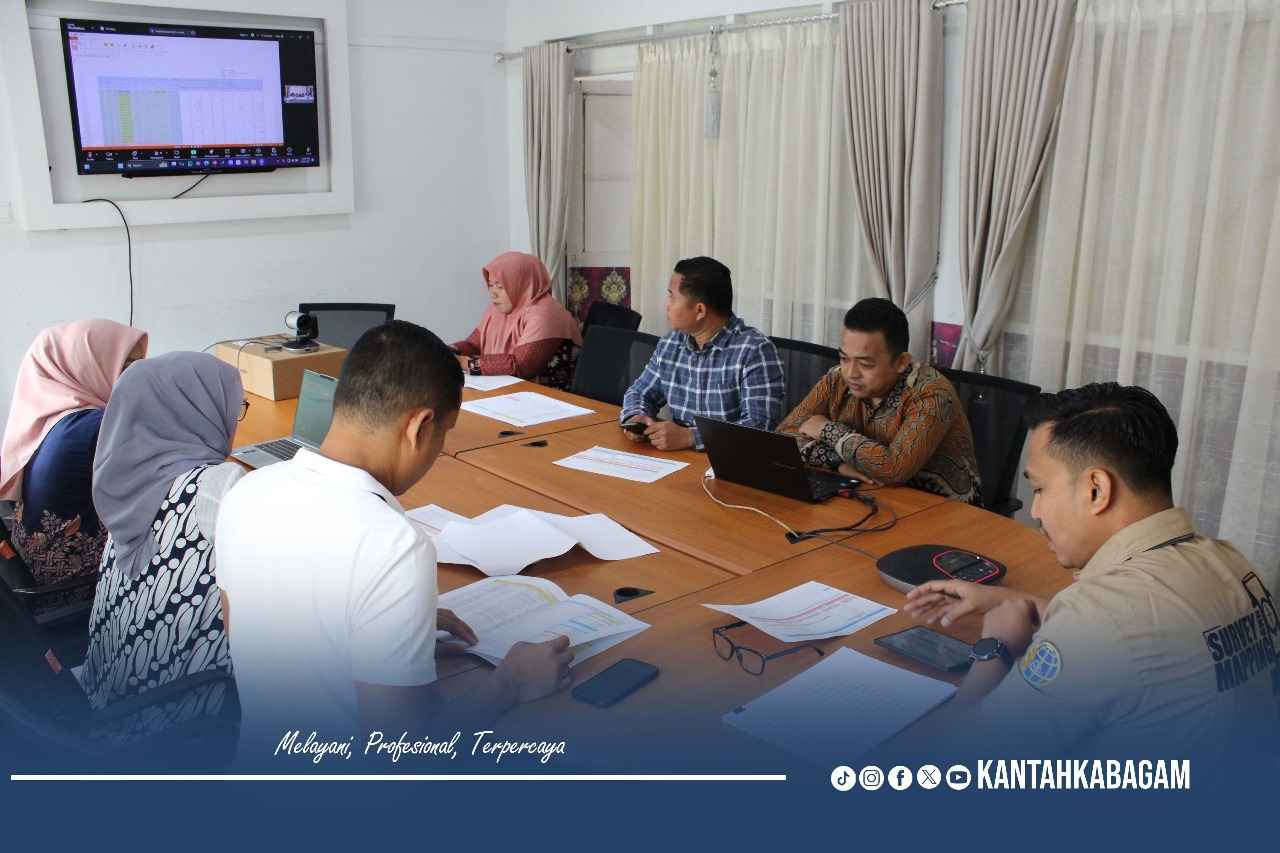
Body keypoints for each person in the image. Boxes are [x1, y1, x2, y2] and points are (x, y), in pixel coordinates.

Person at [216, 320, 572, 752]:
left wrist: (383, 633)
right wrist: (510, 683)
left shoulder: (245, 492)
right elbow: (400, 753)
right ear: (419, 427)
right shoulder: (394, 545)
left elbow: (247, 635)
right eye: (444, 434)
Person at [904, 383, 1279, 756]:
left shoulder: (1100, 619)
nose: (1035, 511)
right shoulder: (1230, 563)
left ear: (1096, 490)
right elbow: (1142, 636)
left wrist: (995, 649)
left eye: (1040, 489)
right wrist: (1004, 599)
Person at [81, 352, 245, 732]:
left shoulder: (122, 477)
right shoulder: (218, 486)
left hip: (108, 692)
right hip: (173, 712)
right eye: (235, 407)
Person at [0, 319, 147, 609]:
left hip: (33, 561)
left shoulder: (45, 417)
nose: (137, 377)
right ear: (89, 366)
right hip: (73, 583)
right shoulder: (91, 426)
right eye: (127, 365)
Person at [777, 298, 980, 502]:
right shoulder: (836, 379)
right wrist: (836, 462)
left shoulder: (932, 394)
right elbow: (783, 437)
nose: (850, 373)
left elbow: (893, 470)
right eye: (844, 358)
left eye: (865, 364)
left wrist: (827, 430)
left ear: (901, 362)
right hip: (868, 494)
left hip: (940, 508)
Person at [620, 256, 785, 451]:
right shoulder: (671, 343)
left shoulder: (754, 351)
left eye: (672, 297)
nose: (667, 305)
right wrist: (637, 416)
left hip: (728, 462)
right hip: (679, 459)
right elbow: (640, 392)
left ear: (699, 310)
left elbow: (759, 429)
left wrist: (691, 437)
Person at [450, 251, 583, 390]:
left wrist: (466, 363)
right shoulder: (496, 311)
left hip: (549, 396)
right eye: (490, 285)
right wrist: (448, 351)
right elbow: (473, 344)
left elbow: (521, 365)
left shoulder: (546, 313)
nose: (493, 294)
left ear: (523, 284)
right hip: (509, 392)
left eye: (500, 287)